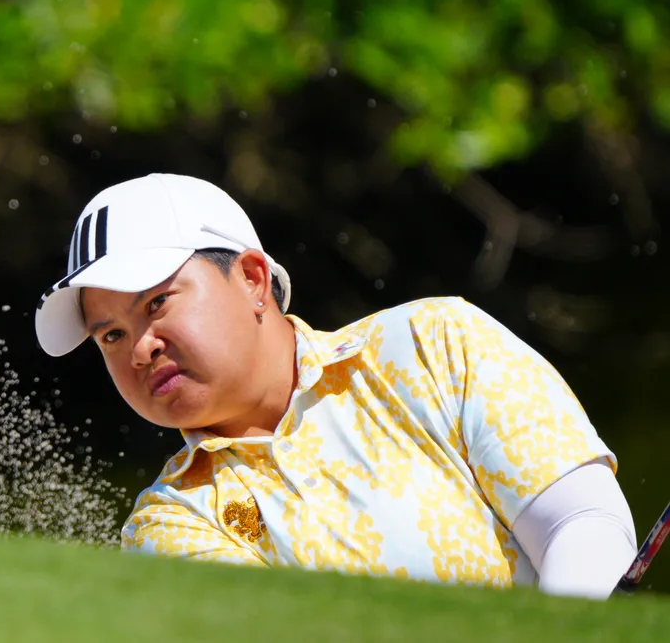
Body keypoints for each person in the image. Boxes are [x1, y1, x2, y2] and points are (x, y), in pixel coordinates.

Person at [34, 173, 638, 597]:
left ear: (252, 279)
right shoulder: (170, 523)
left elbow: (581, 520)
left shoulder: (432, 342)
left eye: (157, 303)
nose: (140, 348)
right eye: (111, 335)